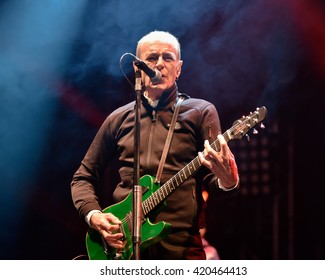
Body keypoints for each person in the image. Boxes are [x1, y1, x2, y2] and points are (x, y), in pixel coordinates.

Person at [71, 30, 239, 260]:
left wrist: (227, 181)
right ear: (137, 67)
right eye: (151, 58)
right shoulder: (118, 118)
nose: (159, 64)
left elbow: (213, 179)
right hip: (122, 248)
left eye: (168, 58)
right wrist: (94, 215)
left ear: (178, 68)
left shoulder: (200, 112)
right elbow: (83, 177)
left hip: (180, 250)